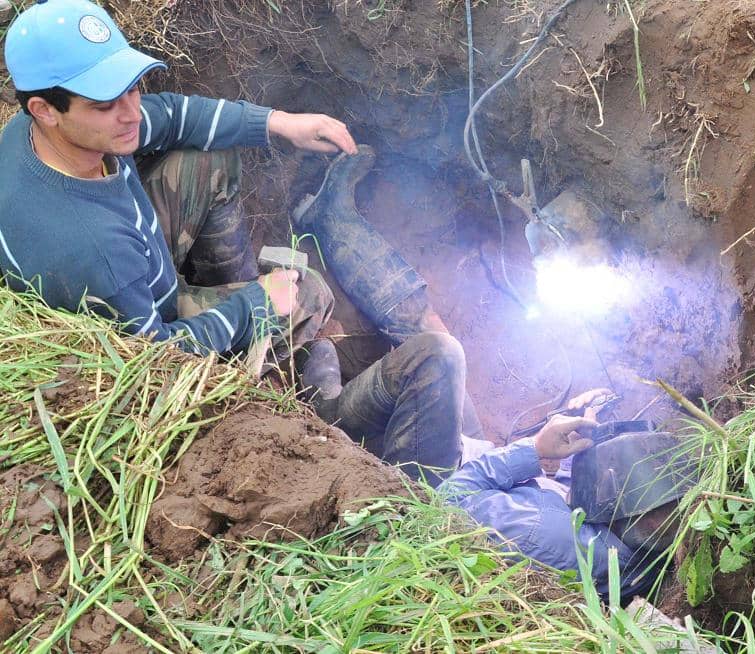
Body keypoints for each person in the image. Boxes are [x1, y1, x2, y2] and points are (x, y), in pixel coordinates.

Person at [0, 0, 463, 485]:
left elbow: (173, 115)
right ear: (45, 110)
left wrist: (280, 122)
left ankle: (242, 291)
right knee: (309, 294)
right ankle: (261, 360)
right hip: (153, 321)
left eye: (132, 88)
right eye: (106, 104)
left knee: (211, 160)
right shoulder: (90, 253)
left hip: (139, 253)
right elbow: (155, 361)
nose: (132, 112)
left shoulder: (48, 132)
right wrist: (254, 307)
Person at [439, 388, 693, 603]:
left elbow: (445, 501)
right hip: (499, 492)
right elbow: (573, 506)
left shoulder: (537, 530)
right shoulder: (628, 545)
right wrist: (581, 447)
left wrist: (536, 447)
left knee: (445, 360)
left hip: (454, 478)